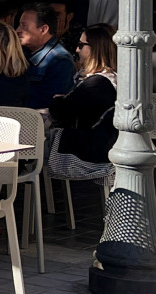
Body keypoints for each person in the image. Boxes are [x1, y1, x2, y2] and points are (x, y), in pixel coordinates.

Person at [46, 25, 119, 179]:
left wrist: (58, 101)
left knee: (33, 145)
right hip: (102, 148)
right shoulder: (112, 79)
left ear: (95, 48)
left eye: (81, 45)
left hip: (92, 152)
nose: (77, 50)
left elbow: (62, 110)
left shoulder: (97, 83)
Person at [17, 2, 78, 109]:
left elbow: (48, 106)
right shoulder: (22, 51)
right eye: (19, 25)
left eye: (24, 25)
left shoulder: (60, 61)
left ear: (43, 29)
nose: (18, 30)